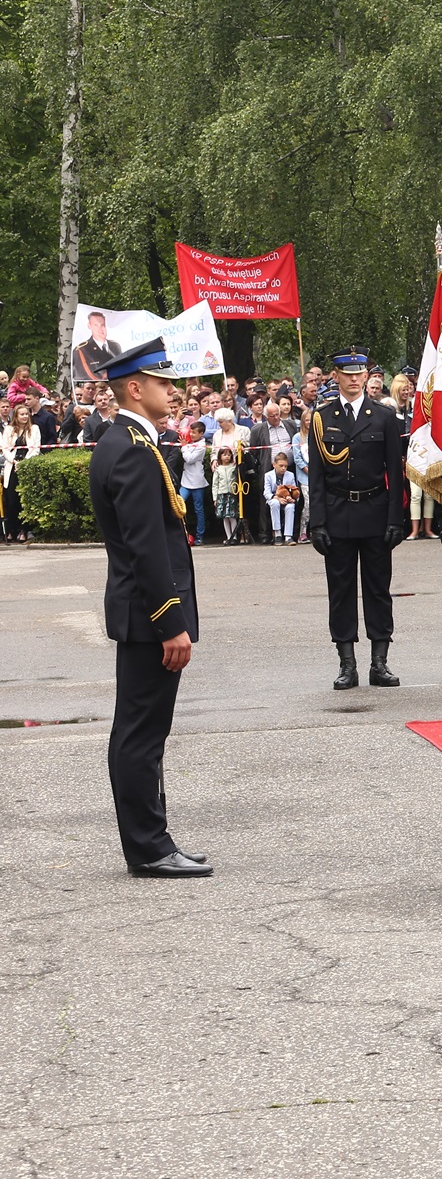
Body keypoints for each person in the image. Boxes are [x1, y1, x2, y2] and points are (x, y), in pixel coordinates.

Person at [86, 338, 209, 877]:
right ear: (134, 388)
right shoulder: (134, 448)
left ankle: (152, 839)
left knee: (140, 733)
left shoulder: (128, 440)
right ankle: (150, 848)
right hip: (147, 616)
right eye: (163, 382)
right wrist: (171, 622)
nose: (173, 390)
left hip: (139, 612)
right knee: (140, 735)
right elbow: (146, 546)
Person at [308, 348, 408, 689]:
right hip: (337, 513)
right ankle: (346, 662)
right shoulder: (323, 417)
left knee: (378, 589)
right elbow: (317, 477)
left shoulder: (383, 417)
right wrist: (316, 522)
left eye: (359, 372)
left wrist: (397, 518)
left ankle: (379, 662)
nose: (353, 378)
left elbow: (396, 472)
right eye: (346, 373)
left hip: (375, 511)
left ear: (367, 375)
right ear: (335, 376)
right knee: (341, 591)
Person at [2, 402, 41, 541]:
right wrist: (15, 461)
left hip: (27, 464)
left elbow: (36, 448)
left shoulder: (35, 428)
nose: (25, 417)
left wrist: (24, 463)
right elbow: (5, 449)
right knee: (11, 500)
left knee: (25, 500)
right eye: (22, 414)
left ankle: (24, 530)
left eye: (26, 414)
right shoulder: (9, 429)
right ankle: (12, 529)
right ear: (16, 416)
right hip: (12, 465)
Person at [263, 451, 300, 544]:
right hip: (273, 499)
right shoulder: (268, 475)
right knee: (275, 504)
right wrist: (277, 498)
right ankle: (277, 533)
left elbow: (294, 490)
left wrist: (291, 498)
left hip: (286, 499)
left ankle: (288, 536)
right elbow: (266, 493)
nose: (284, 468)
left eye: (286, 466)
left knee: (290, 507)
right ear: (274, 464)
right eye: (281, 466)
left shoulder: (290, 475)